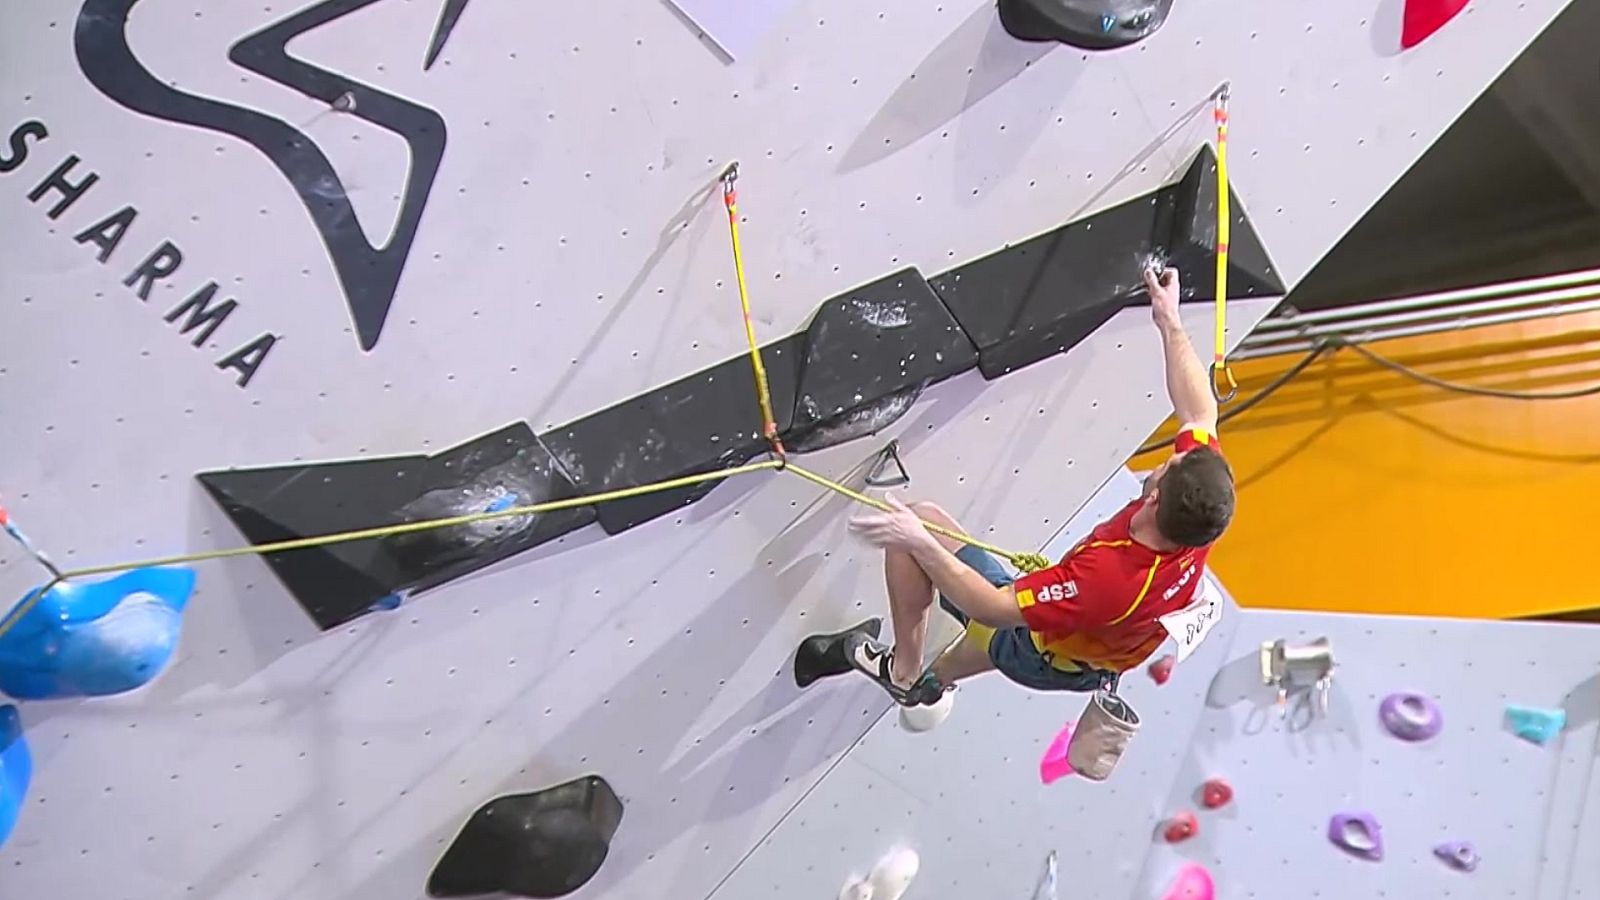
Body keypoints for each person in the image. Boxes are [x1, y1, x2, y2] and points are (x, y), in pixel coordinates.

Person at [844, 265, 1235, 706]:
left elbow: (993, 607)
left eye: (1172, 461)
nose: (1176, 453)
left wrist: (920, 542)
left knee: (920, 526)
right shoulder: (1200, 508)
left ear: (1157, 497)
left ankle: (903, 672)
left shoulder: (1110, 579)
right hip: (1093, 650)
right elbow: (1199, 414)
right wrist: (1170, 321)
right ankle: (932, 683)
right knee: (989, 641)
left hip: (1042, 651)